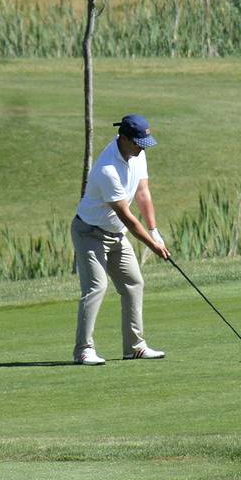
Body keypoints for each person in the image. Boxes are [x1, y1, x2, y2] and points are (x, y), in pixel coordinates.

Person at [71, 114, 172, 365]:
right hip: (89, 232)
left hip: (116, 234)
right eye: (137, 143)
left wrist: (154, 229)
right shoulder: (107, 169)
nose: (141, 149)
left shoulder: (138, 152)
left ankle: (135, 347)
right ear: (123, 138)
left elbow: (142, 191)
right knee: (97, 286)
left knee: (133, 284)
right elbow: (127, 217)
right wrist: (152, 246)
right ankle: (83, 350)